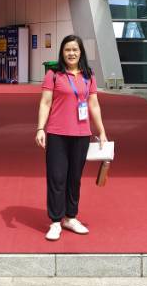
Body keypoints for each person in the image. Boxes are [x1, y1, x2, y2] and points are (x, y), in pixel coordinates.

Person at [35, 35, 108, 242]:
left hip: (82, 134)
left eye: (75, 49)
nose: (71, 53)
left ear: (81, 52)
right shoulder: (53, 74)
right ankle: (55, 221)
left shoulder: (88, 75)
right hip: (57, 134)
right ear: (62, 52)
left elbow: (94, 104)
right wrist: (40, 128)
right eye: (67, 50)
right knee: (57, 177)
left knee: (74, 178)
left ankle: (70, 217)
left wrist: (102, 131)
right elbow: (45, 103)